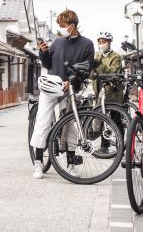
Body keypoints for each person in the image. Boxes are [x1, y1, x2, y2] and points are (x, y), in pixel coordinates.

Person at [30, 9, 95, 179]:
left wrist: (72, 80)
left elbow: (86, 68)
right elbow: (47, 63)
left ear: (72, 26)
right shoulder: (58, 42)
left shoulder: (87, 44)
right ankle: (38, 162)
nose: (61, 29)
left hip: (71, 89)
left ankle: (71, 163)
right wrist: (43, 52)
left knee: (71, 126)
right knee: (43, 121)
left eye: (63, 26)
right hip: (51, 85)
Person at [93, 31, 123, 103]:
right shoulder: (97, 55)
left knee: (113, 111)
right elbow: (93, 73)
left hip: (112, 90)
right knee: (98, 111)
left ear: (109, 42)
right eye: (99, 43)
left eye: (103, 42)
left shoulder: (116, 56)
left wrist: (99, 65)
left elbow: (113, 72)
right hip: (98, 89)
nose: (101, 45)